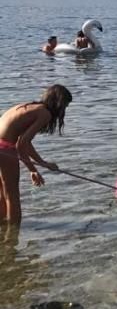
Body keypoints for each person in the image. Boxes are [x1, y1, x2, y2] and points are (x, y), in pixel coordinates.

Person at [0, 85, 72, 224]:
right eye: (65, 106)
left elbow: (24, 141)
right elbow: (21, 145)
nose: (64, 110)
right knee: (12, 195)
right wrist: (34, 170)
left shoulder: (29, 107)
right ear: (59, 103)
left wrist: (41, 163)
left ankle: (3, 230)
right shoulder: (45, 114)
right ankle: (13, 234)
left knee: (3, 193)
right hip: (4, 149)